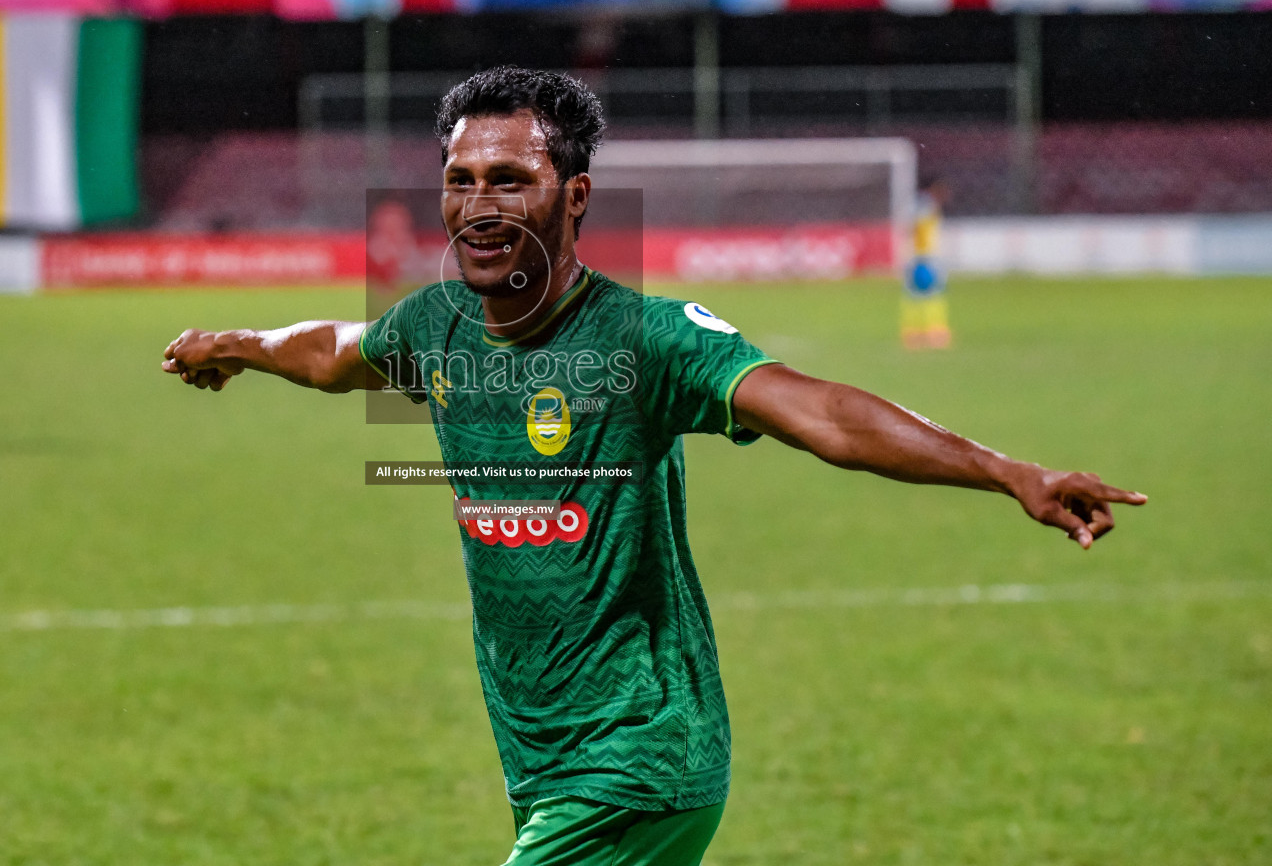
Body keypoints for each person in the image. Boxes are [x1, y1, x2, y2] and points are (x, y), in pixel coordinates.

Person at [161, 68, 1145, 866]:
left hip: (639, 755)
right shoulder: (436, 324)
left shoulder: (647, 339)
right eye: (461, 179)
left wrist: (1004, 469)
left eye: (511, 179)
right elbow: (338, 353)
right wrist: (240, 344)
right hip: (542, 757)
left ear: (575, 196)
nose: (478, 204)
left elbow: (826, 415)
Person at [901, 176, 952, 349]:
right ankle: (935, 333)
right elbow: (919, 229)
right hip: (925, 257)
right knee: (931, 294)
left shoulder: (919, 205)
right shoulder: (926, 206)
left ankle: (912, 333)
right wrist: (922, 253)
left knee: (914, 295)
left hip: (918, 256)